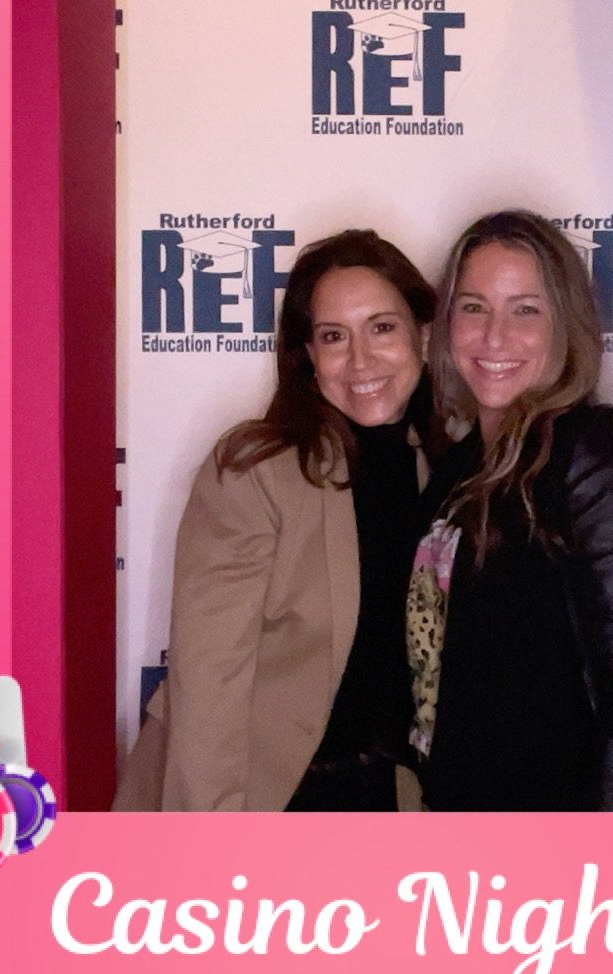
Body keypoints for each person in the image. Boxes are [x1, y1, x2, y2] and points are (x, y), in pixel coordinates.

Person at [115, 233, 436, 813]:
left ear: (424, 335)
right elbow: (209, 679)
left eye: (382, 328)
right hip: (265, 797)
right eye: (334, 336)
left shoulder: (449, 467)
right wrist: (212, 838)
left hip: (392, 802)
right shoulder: (256, 470)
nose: (360, 359)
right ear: (308, 354)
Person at [407, 212, 613, 812]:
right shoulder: (458, 470)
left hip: (572, 839)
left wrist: (611, 849)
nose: (494, 338)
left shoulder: (600, 452)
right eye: (474, 307)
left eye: (525, 310)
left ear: (565, 325)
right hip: (460, 827)